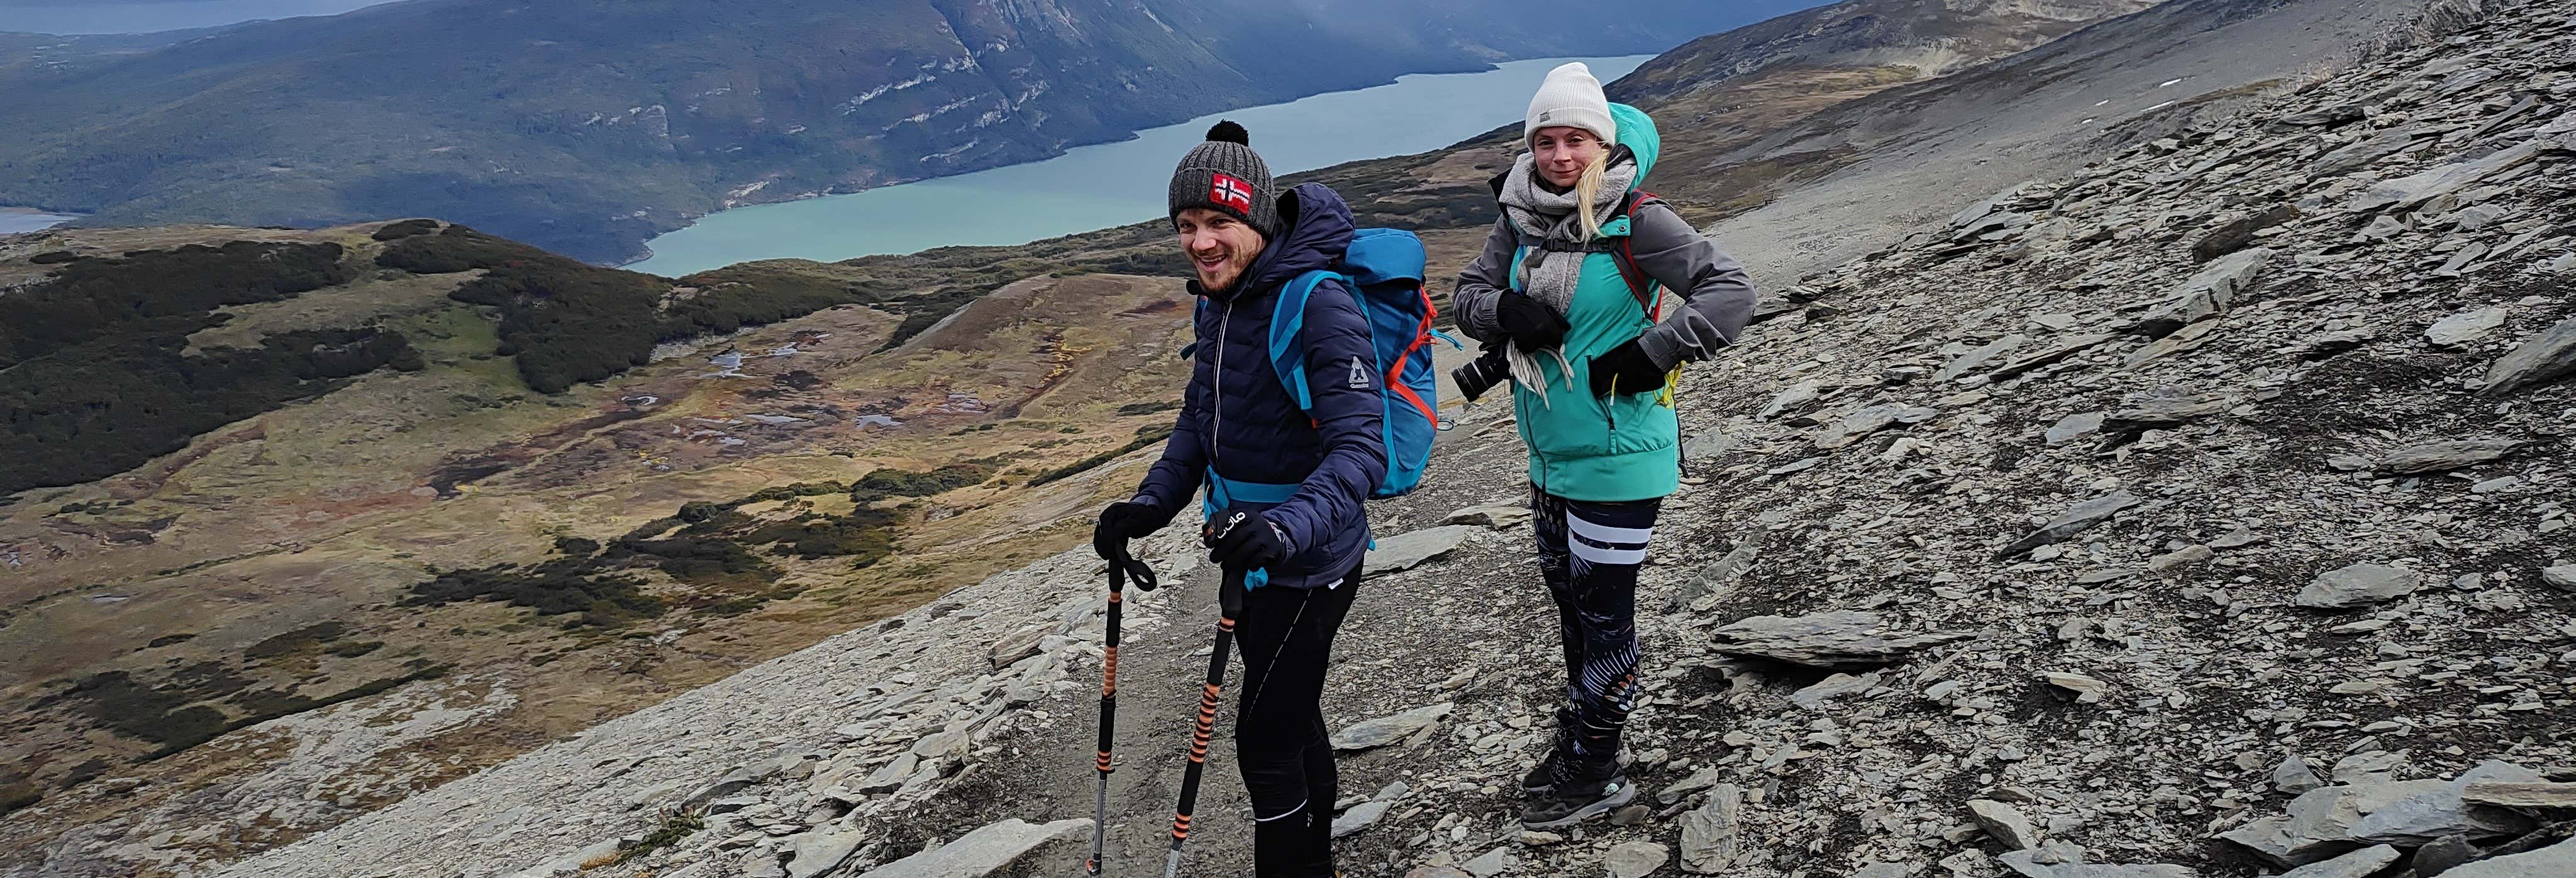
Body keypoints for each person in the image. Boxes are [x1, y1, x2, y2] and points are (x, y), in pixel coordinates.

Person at [1452, 62, 1759, 829]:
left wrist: (1654, 351)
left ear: (1603, 143)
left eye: (1577, 139)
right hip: (1551, 454)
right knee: (1573, 611)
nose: (1560, 155)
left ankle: (1595, 769)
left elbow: (1732, 289)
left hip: (1621, 457)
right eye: (1546, 140)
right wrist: (1506, 309)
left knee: (1605, 615)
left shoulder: (1639, 219)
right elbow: (1462, 299)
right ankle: (1585, 736)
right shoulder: (1517, 218)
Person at [1091, 121, 1387, 878]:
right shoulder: (1219, 302)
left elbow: (1360, 447)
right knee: (1291, 718)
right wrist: (1151, 505)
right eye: (1187, 226)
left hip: (1307, 562)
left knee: (1263, 743)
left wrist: (1285, 528)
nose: (1200, 242)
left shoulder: (1318, 304)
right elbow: (1201, 416)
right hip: (1249, 553)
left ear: (1256, 220)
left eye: (1219, 222)